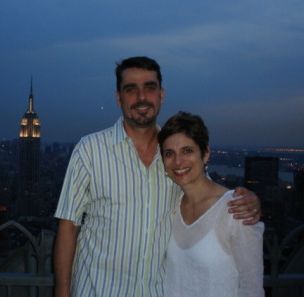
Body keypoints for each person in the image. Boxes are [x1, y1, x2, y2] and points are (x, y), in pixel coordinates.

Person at [53, 56, 261, 297]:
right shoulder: (90, 150)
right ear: (118, 98)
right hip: (98, 290)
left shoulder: (172, 157)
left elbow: (206, 193)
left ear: (161, 94)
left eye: (149, 88)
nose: (141, 98)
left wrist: (249, 199)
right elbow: (68, 226)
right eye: (131, 89)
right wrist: (62, 292)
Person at [158, 111, 264, 297]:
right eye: (169, 153)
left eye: (187, 151)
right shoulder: (169, 205)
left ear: (205, 154)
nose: (178, 161)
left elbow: (252, 289)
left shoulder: (234, 209)